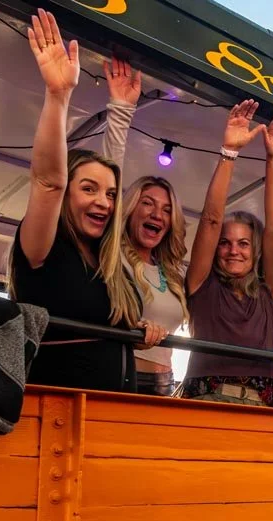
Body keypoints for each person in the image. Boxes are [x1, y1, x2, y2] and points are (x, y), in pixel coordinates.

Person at [9, 11, 159, 392]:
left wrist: (138, 332)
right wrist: (58, 96)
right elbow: (47, 182)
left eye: (110, 194)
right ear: (66, 194)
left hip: (113, 416)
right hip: (54, 418)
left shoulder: (112, 264)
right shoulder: (43, 248)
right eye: (88, 189)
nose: (105, 203)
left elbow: (109, 324)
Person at [178, 100, 273, 406]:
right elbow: (210, 219)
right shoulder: (203, 284)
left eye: (244, 243)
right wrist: (229, 152)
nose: (234, 251)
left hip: (263, 404)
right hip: (209, 399)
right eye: (225, 242)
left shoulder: (268, 292)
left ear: (254, 250)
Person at [101, 57, 185, 396]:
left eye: (166, 210)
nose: (157, 214)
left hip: (165, 383)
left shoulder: (170, 270)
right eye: (147, 204)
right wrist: (121, 110)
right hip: (123, 377)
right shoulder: (112, 254)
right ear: (131, 209)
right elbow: (109, 176)